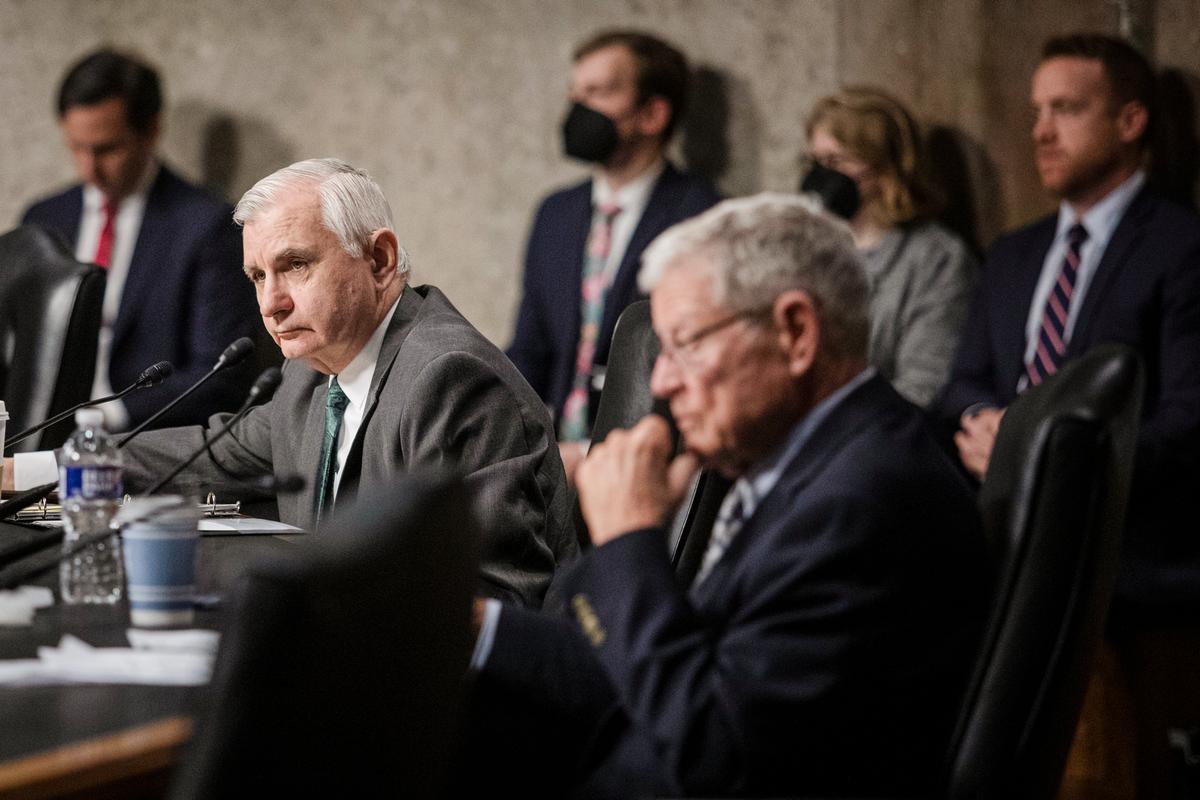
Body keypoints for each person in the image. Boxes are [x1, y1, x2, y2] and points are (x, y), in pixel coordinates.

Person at [464, 195, 988, 797]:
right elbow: (657, 673)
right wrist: (475, 627)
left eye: (685, 343)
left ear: (795, 333)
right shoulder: (807, 469)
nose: (660, 381)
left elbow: (716, 757)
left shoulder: (867, 501)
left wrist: (629, 542)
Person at [10, 159, 575, 608]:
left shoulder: (449, 379)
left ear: (379, 259)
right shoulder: (310, 373)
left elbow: (496, 604)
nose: (271, 305)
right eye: (258, 276)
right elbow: (209, 452)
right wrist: (27, 473)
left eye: (296, 265)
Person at [937, 34, 1200, 796]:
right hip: (992, 535)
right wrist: (988, 422)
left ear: (1130, 121)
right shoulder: (1014, 254)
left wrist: (1037, 454)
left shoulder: (1181, 246)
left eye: (1067, 109)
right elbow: (961, 385)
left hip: (1128, 550)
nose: (1041, 130)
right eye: (1035, 112)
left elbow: (1189, 424)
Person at [507, 30, 720, 478]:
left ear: (652, 113)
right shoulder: (556, 213)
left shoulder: (703, 215)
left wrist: (596, 455)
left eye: (598, 92)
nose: (578, 108)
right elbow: (531, 345)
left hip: (645, 462)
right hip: (553, 461)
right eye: (574, 93)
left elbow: (695, 360)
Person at [20, 48, 257, 430]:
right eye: (77, 148)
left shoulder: (206, 225)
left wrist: (103, 419)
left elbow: (219, 373)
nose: (89, 168)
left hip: (138, 438)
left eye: (107, 149)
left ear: (151, 131)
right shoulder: (44, 219)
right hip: (34, 431)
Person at [802, 86, 976, 406]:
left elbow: (924, 385)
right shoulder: (810, 247)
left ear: (883, 167)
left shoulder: (936, 259)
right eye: (815, 162)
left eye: (835, 161)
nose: (821, 177)